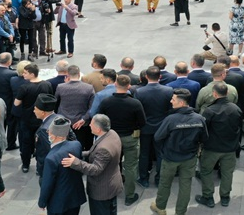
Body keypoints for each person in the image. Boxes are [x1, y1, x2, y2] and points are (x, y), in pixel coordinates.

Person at [151, 88, 208, 215]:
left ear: (181, 103)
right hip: (189, 158)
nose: (171, 101)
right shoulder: (199, 119)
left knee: (165, 183)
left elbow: (157, 137)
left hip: (170, 157)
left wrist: (163, 150)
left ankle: (160, 207)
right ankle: (180, 212)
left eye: (173, 99)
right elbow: (204, 138)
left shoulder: (171, 119)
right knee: (186, 185)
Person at [97, 75, 145, 206]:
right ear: (129, 86)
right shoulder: (135, 103)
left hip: (111, 138)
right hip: (130, 138)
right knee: (131, 166)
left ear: (116, 84)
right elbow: (142, 122)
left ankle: (111, 191)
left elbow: (100, 119)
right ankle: (129, 195)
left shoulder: (106, 102)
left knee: (112, 164)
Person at [62, 114, 123, 214]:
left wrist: (76, 163)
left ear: (98, 129)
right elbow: (95, 153)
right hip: (112, 184)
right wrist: (79, 154)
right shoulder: (111, 133)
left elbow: (95, 169)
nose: (89, 125)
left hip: (102, 190)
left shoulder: (104, 148)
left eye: (91, 124)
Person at [195, 82, 242, 208]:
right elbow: (239, 128)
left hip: (212, 148)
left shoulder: (210, 111)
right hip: (230, 148)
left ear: (214, 94)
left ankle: (208, 197)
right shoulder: (236, 109)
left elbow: (203, 131)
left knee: (206, 171)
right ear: (227, 93)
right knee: (227, 173)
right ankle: (225, 197)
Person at [134, 66, 174, 188]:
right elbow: (170, 109)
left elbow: (137, 111)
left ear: (146, 77)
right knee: (160, 153)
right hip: (162, 127)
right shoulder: (168, 90)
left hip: (145, 127)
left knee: (144, 153)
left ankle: (144, 178)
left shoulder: (139, 92)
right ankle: (159, 178)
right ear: (160, 77)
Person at [38, 117, 87, 215]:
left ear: (59, 137)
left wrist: (42, 203)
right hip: (75, 198)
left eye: (51, 133)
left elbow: (47, 185)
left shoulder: (51, 158)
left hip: (58, 203)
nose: (48, 134)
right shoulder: (76, 145)